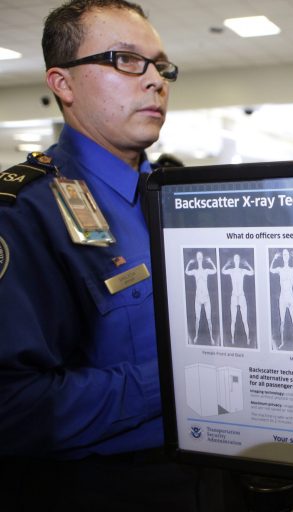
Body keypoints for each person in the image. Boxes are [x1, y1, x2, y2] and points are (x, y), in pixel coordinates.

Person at [0, 1, 208, 509]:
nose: (156, 80)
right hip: (101, 488)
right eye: (125, 60)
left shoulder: (175, 198)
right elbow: (12, 407)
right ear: (63, 84)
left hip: (203, 477)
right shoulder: (24, 212)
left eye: (162, 65)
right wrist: (190, 376)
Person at [270, 249, 293, 350]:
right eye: (284, 254)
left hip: (291, 297)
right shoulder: (280, 269)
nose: (285, 256)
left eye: (287, 254)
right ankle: (281, 342)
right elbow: (271, 270)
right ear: (282, 256)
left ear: (289, 256)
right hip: (282, 298)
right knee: (282, 322)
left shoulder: (292, 269)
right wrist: (274, 258)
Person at [185, 251, 218, 345]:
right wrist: (189, 263)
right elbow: (186, 272)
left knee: (209, 319)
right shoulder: (195, 271)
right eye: (198, 256)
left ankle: (211, 338)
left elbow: (215, 271)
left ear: (202, 258)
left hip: (206, 297)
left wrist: (211, 262)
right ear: (196, 257)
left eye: (200, 256)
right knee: (197, 318)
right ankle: (196, 336)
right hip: (198, 298)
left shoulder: (206, 270)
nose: (199, 257)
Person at [222, 253, 254, 346]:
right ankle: (232, 339)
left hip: (241, 295)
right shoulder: (231, 270)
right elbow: (223, 271)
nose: (236, 260)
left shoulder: (242, 270)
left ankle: (248, 339)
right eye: (235, 259)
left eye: (238, 259)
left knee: (245, 320)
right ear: (234, 260)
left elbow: (252, 272)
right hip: (234, 296)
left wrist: (247, 264)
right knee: (233, 320)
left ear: (239, 260)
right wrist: (227, 264)